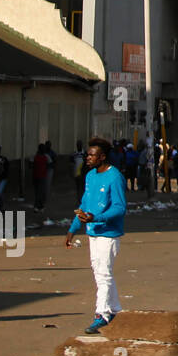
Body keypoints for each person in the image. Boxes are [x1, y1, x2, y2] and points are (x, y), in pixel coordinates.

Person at [65, 139, 127, 333]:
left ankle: (101, 314)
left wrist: (96, 217)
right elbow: (84, 204)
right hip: (92, 232)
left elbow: (120, 207)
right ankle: (115, 308)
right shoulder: (90, 176)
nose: (88, 158)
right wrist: (73, 229)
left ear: (102, 157)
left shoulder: (115, 177)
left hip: (108, 234)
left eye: (92, 155)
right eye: (87, 155)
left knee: (103, 273)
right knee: (100, 271)